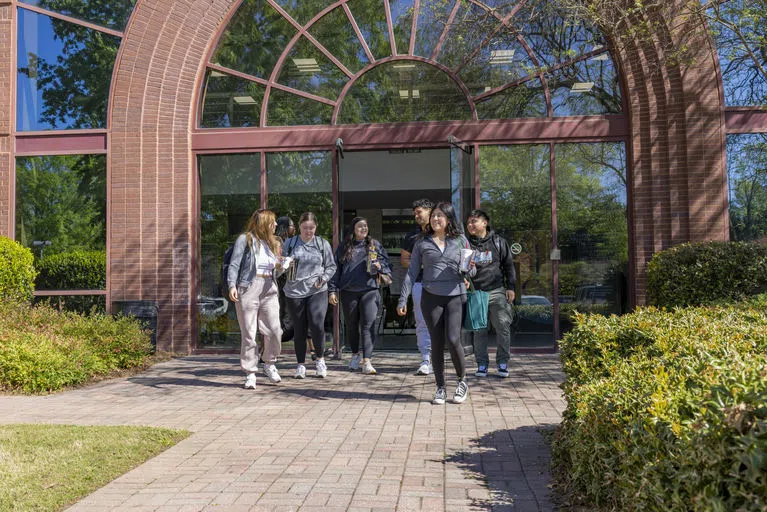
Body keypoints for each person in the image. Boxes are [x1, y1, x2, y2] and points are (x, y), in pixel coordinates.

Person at [397, 202, 476, 405]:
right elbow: (412, 272)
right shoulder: (422, 243)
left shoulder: (460, 240)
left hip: (455, 294)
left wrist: (468, 270)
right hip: (430, 295)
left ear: (448, 219)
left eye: (440, 216)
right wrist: (402, 298)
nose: (435, 219)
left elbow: (472, 270)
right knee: (437, 342)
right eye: (433, 216)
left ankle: (462, 381)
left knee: (453, 339)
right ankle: (440, 387)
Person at [227, 209, 285, 389]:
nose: (276, 225)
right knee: (249, 333)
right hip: (248, 287)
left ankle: (269, 363)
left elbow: (277, 271)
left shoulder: (273, 243)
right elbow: (234, 264)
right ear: (264, 223)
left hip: (269, 286)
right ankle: (250, 372)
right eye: (273, 222)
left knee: (275, 330)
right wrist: (232, 285)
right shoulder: (245, 239)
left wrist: (281, 266)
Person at [329, 217, 391, 375]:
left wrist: (380, 266)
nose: (364, 228)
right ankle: (355, 354)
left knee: (368, 325)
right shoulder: (344, 246)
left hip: (370, 290)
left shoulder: (374, 244)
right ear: (353, 229)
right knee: (352, 325)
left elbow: (387, 264)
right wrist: (332, 289)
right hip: (348, 291)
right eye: (360, 226)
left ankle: (367, 360)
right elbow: (336, 269)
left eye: (366, 225)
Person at [282, 212, 337, 379]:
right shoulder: (290, 244)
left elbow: (331, 266)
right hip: (294, 291)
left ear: (316, 227)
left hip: (317, 289)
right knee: (299, 328)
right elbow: (280, 267)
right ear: (299, 227)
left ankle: (320, 360)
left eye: (311, 228)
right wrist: (283, 265)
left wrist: (324, 278)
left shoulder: (322, 243)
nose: (308, 231)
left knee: (316, 323)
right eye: (305, 228)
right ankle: (300, 364)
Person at [465, 209, 516, 378]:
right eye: (469, 222)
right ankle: (482, 365)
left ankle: (502, 362)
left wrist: (511, 287)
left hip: (496, 291)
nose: (470, 225)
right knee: (479, 330)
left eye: (474, 221)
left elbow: (509, 266)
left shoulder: (498, 242)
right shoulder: (466, 244)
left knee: (503, 327)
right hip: (476, 293)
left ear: (484, 223)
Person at [400, 198, 435, 375]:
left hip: (443, 284)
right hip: (420, 284)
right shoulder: (412, 236)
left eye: (419, 211)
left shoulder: (441, 232)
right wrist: (423, 265)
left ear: (430, 211)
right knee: (422, 323)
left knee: (442, 323)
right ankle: (426, 359)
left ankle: (438, 357)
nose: (416, 215)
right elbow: (404, 260)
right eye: (414, 212)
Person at [275, 216, 296, 343]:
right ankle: (266, 351)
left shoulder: (292, 242)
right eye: (292, 226)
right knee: (280, 317)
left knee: (288, 318)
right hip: (279, 284)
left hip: (288, 284)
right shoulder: (277, 242)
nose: (294, 228)